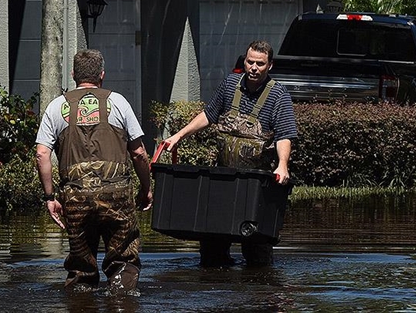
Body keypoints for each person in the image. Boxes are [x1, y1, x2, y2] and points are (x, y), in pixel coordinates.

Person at [163, 40, 297, 267]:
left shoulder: (278, 95)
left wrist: (282, 164)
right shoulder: (230, 84)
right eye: (250, 62)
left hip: (256, 186)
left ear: (270, 66)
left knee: (257, 256)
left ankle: (259, 283)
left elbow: (285, 135)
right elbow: (208, 115)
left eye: (260, 64)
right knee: (211, 249)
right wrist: (178, 136)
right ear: (244, 62)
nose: (254, 68)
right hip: (223, 181)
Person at [35, 49, 153, 293]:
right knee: (123, 261)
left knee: (81, 269)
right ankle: (122, 300)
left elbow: (42, 154)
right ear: (102, 75)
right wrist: (146, 188)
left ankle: (80, 301)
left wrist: (50, 197)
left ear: (73, 75)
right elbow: (139, 153)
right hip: (117, 197)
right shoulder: (118, 102)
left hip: (76, 198)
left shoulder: (56, 106)